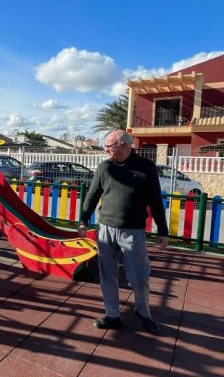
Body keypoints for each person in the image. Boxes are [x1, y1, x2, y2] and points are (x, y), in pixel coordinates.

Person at [78, 130, 169, 334]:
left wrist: (162, 230)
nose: (108, 151)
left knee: (138, 277)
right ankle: (112, 314)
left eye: (111, 147)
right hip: (106, 228)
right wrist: (83, 220)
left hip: (133, 231)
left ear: (125, 145)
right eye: (106, 148)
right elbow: (93, 195)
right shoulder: (105, 166)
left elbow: (155, 200)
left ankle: (143, 312)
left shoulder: (146, 167)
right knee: (107, 275)